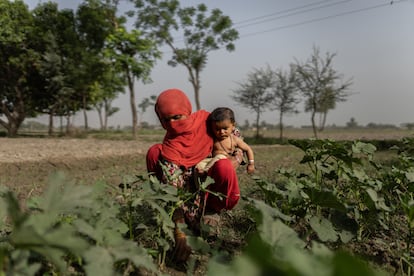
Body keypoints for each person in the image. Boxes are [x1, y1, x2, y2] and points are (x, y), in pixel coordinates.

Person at [145, 88, 243, 262]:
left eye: (177, 117)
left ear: (187, 111)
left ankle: (214, 211)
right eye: (166, 119)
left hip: (210, 189)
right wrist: (180, 233)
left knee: (224, 166)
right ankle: (189, 222)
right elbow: (172, 191)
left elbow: (233, 134)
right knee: (154, 152)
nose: (173, 123)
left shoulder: (206, 121)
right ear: (161, 120)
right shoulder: (170, 149)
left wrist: (238, 157)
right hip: (185, 200)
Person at [196, 107, 255, 175]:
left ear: (233, 126)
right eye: (217, 129)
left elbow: (248, 149)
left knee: (221, 157)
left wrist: (251, 164)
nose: (222, 132)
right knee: (199, 165)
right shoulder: (213, 138)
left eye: (225, 128)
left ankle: (206, 171)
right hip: (211, 162)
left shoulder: (234, 139)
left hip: (224, 164)